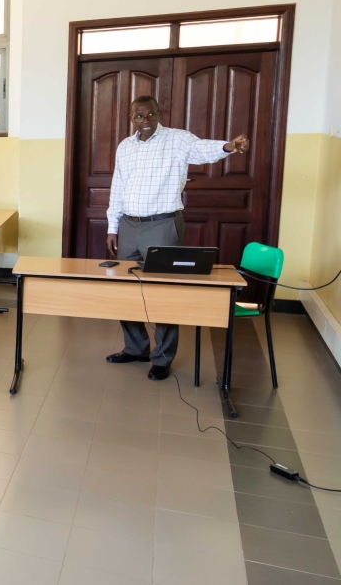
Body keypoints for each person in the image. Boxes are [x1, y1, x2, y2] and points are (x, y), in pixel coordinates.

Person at [104, 95, 250, 380]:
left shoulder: (178, 140)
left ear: (159, 114)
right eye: (138, 116)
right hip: (129, 226)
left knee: (165, 292)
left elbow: (203, 150)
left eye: (150, 115)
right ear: (131, 118)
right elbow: (117, 186)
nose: (145, 121)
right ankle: (136, 348)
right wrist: (113, 226)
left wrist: (229, 147)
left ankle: (162, 357)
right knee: (125, 290)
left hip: (163, 226)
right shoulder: (125, 147)